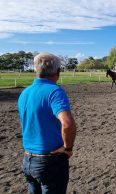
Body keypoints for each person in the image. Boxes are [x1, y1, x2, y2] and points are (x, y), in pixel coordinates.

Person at [18, 52, 77, 194]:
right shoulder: (55, 91)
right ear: (58, 72)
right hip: (50, 161)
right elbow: (68, 124)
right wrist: (68, 148)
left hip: (28, 160)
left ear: (35, 70)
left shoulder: (25, 93)